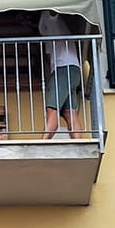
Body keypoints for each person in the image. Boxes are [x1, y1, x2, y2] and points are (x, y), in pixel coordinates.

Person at [38, 10, 84, 139]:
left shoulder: (47, 16)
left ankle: (42, 144)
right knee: (70, 112)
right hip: (73, 70)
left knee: (52, 109)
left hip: (63, 68)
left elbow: (53, 12)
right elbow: (48, 56)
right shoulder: (47, 31)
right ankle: (78, 143)